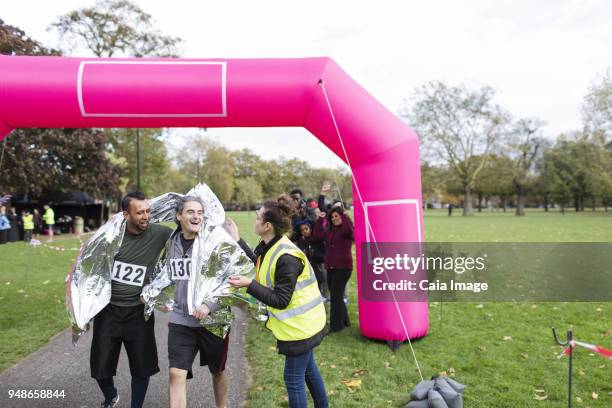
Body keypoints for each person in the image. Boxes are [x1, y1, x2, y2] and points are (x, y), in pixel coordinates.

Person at [227, 194, 328, 408]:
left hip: (301, 328)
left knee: (293, 379)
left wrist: (248, 284)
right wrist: (238, 240)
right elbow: (260, 264)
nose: (254, 220)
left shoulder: (286, 256)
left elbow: (281, 300)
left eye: (257, 218)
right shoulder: (273, 246)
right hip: (305, 325)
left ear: (267, 225)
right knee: (309, 370)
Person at [90, 191, 172, 408]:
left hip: (139, 312)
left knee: (141, 367)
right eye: (140, 212)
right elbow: (91, 271)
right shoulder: (111, 237)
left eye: (148, 211)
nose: (146, 216)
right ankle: (111, 395)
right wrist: (85, 311)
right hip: (109, 311)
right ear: (126, 214)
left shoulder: (160, 233)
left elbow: (189, 234)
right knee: (100, 367)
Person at [164, 196, 241, 408]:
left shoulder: (215, 242)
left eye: (199, 212)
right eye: (190, 211)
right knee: (175, 373)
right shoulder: (171, 243)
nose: (196, 216)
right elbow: (167, 276)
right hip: (181, 320)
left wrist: (209, 305)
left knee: (217, 371)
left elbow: (233, 279)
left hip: (214, 322)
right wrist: (162, 299)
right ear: (179, 216)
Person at [313, 205, 354, 333]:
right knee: (337, 295)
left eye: (337, 216)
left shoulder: (346, 230)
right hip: (331, 267)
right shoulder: (329, 231)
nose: (335, 218)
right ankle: (345, 321)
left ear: (341, 216)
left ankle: (336, 327)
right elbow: (317, 236)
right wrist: (320, 220)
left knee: (335, 296)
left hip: (343, 268)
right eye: (332, 217)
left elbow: (349, 230)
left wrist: (346, 216)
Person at [295, 220, 328, 300]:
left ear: (310, 229)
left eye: (306, 229)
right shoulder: (301, 241)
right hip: (307, 268)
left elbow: (324, 256)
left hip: (318, 266)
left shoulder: (317, 240)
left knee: (321, 281)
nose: (304, 232)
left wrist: (313, 254)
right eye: (302, 230)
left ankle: (324, 296)